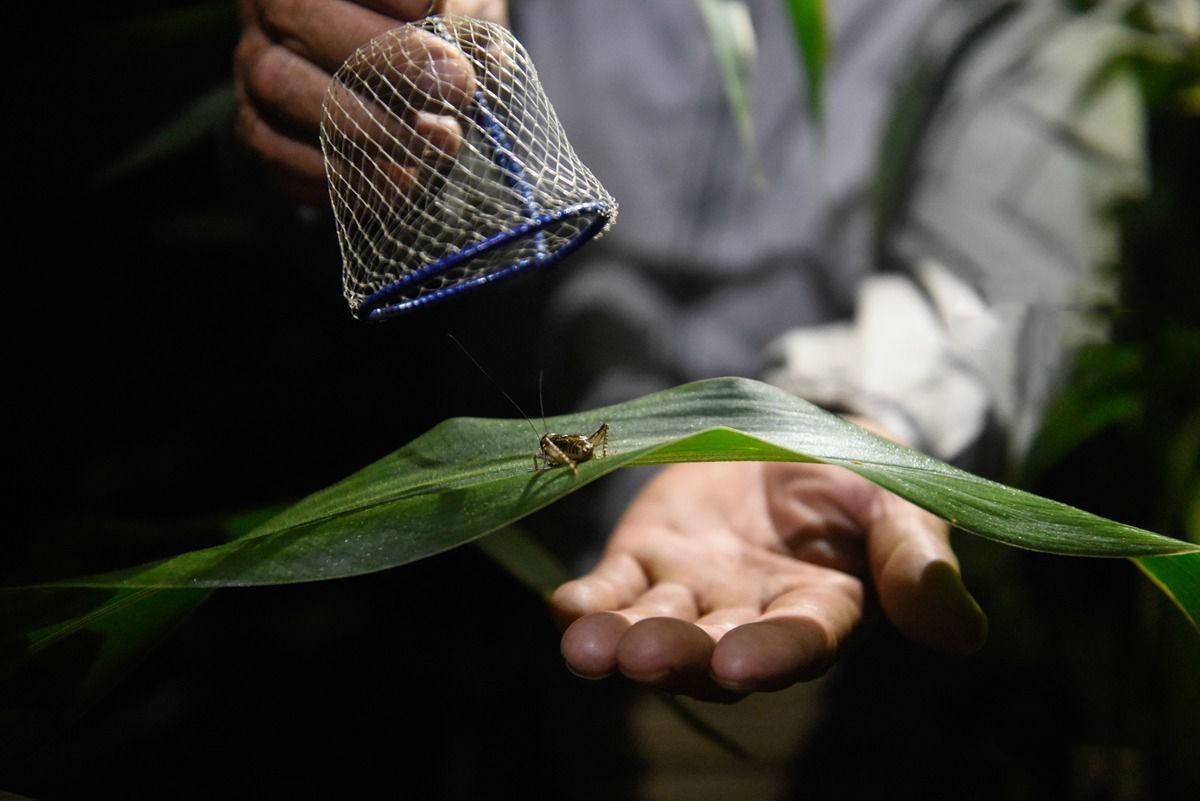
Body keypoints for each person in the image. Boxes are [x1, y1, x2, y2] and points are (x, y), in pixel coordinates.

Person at [233, 0, 1116, 701]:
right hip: (482, 584)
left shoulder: (1045, 20)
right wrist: (338, 96)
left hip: (834, 641)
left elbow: (1020, 263)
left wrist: (861, 424)